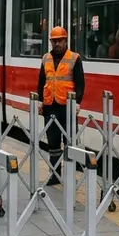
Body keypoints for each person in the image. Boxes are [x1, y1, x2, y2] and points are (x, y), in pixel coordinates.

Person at [36, 26, 85, 186]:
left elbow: (80, 83)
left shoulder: (74, 58)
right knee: (53, 142)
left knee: (70, 141)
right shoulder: (46, 58)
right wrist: (39, 101)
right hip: (50, 105)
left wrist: (77, 102)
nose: (57, 44)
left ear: (65, 41)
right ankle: (55, 175)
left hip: (67, 107)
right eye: (54, 41)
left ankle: (71, 176)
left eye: (60, 41)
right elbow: (41, 81)